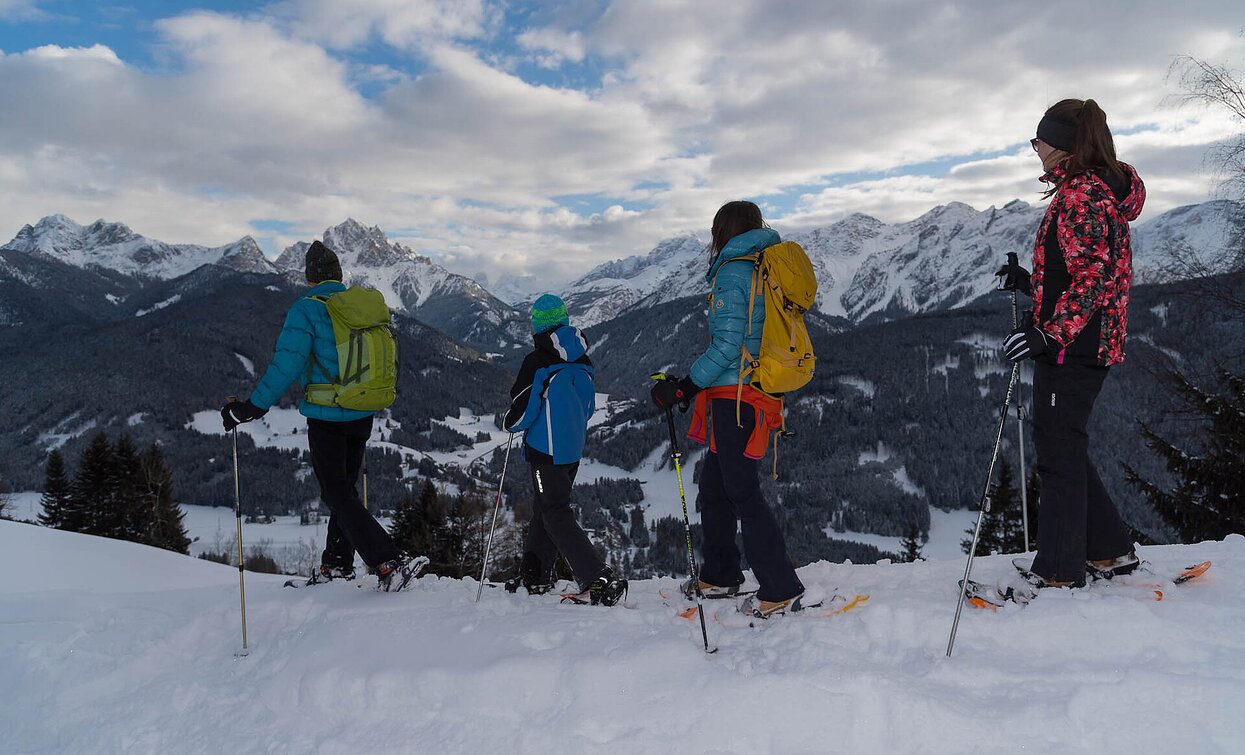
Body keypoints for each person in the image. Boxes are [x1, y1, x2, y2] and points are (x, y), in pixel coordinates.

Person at [998, 98, 1147, 591]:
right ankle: (1108, 552)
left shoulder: (1082, 195)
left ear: (1061, 145)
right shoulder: (1090, 190)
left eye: (1038, 139)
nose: (1035, 147)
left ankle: (1060, 570)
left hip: (1074, 347)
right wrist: (1029, 283)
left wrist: (1049, 334)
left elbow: (1095, 277)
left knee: (1058, 453)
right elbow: (1078, 273)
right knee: (1066, 445)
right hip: (1082, 341)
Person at [221, 240, 414, 591]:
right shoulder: (361, 307)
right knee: (345, 491)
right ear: (339, 276)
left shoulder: (307, 309)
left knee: (336, 493)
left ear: (310, 278)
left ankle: (387, 558)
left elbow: (286, 365)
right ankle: (337, 565)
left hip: (328, 416)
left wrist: (251, 408)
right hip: (363, 410)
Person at [650, 200, 805, 618]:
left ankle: (779, 586)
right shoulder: (760, 264)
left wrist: (684, 386)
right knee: (715, 488)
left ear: (721, 232)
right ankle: (720, 573)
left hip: (737, 398)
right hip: (743, 393)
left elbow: (727, 345)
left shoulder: (734, 271)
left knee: (742, 493)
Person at [502, 294, 628, 606]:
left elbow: (523, 410)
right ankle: (534, 576)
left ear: (536, 325)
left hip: (545, 450)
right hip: (572, 448)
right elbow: (587, 407)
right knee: (545, 510)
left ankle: (597, 575)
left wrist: (510, 424)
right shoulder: (583, 360)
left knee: (555, 512)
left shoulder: (538, 362)